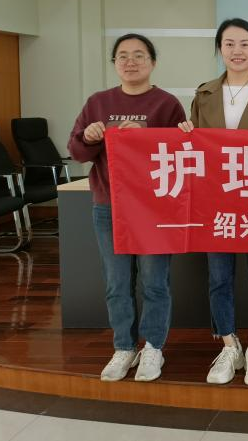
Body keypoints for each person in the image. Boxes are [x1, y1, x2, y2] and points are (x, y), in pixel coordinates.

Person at [178, 18, 248, 385]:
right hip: (215, 200)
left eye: (245, 44)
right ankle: (229, 345)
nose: (237, 51)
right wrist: (186, 133)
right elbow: (195, 148)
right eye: (229, 44)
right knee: (219, 277)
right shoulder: (205, 94)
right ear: (220, 49)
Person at [68, 34, 186, 382]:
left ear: (152, 62)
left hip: (154, 209)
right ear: (115, 63)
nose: (130, 62)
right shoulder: (98, 102)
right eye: (122, 56)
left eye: (138, 55)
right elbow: (77, 152)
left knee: (154, 282)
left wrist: (147, 137)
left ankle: (153, 347)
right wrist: (89, 137)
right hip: (109, 206)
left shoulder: (167, 104)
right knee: (116, 283)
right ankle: (123, 346)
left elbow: (181, 153)